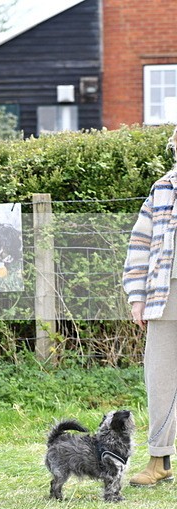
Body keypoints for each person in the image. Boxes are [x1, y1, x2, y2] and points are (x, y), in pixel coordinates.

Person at [123, 126, 177, 486]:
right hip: (165, 294)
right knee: (160, 379)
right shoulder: (163, 188)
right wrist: (136, 296)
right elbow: (139, 243)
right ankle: (159, 460)